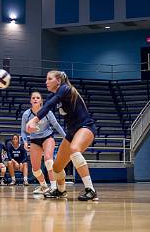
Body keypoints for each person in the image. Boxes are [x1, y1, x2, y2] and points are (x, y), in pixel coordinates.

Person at [26, 70, 98, 201]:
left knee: (74, 149)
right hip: (72, 133)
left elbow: (50, 104)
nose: (46, 81)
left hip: (85, 127)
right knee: (57, 167)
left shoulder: (66, 89)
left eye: (49, 79)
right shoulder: (55, 95)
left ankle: (90, 190)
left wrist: (34, 120)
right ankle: (60, 190)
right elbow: (47, 105)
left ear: (58, 81)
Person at [21, 91, 66, 194]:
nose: (35, 99)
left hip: (47, 137)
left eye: (38, 98)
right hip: (34, 140)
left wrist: (66, 137)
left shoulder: (47, 112)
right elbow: (23, 131)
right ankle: (44, 186)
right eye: (33, 98)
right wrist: (24, 141)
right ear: (30, 101)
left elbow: (56, 125)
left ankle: (54, 187)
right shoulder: (26, 114)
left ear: (41, 101)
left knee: (49, 161)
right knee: (35, 169)